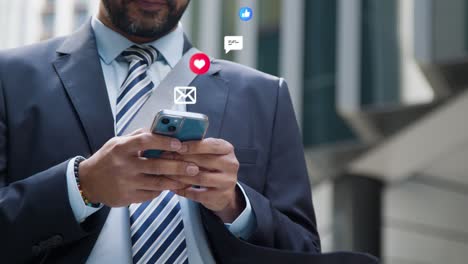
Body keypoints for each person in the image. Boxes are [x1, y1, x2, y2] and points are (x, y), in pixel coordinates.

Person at [0, 0, 321, 263]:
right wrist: (81, 187)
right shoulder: (10, 79)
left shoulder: (264, 95)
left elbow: (303, 251)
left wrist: (236, 206)